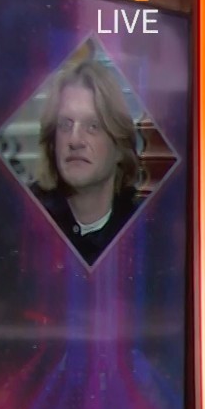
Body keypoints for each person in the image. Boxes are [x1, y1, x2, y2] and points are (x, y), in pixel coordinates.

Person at [30, 47, 145, 267]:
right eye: (65, 125)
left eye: (93, 126)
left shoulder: (145, 229)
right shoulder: (25, 217)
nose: (75, 140)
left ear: (119, 147)